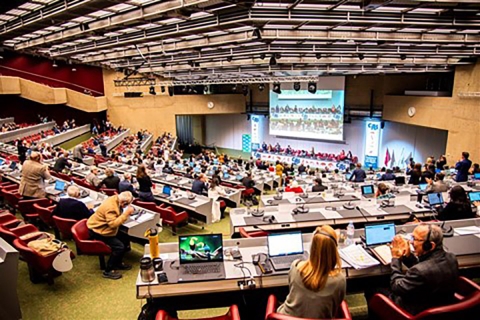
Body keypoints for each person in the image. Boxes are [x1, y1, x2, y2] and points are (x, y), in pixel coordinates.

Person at [367, 224, 458, 316]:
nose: (411, 242)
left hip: (414, 312)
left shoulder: (419, 271)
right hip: (437, 304)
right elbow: (425, 269)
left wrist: (395, 258)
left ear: (430, 245)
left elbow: (396, 287)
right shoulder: (451, 258)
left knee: (373, 289)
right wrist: (408, 257)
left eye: (415, 239)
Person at [277, 225, 346, 318]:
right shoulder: (339, 280)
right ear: (334, 251)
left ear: (312, 247)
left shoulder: (296, 266)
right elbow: (336, 304)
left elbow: (291, 290)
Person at [87, 191, 134, 280]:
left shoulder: (115, 198)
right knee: (119, 247)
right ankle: (108, 270)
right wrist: (126, 214)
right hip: (98, 230)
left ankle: (118, 263)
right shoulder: (111, 208)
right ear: (124, 203)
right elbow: (112, 224)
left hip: (102, 226)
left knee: (125, 237)